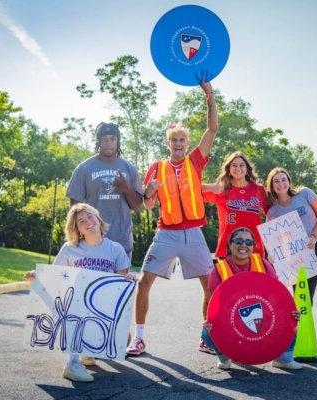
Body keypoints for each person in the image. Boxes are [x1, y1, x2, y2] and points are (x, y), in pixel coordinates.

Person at [126, 79, 218, 356]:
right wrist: (149, 192)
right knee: (143, 282)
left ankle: (207, 336)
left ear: (187, 143)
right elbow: (148, 206)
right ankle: (139, 338)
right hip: (166, 234)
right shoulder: (157, 167)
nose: (178, 144)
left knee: (210, 285)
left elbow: (212, 128)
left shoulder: (195, 161)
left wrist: (209, 95)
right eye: (174, 140)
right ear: (167, 143)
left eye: (182, 140)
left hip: (193, 234)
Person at [25, 203, 134, 382]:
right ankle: (72, 363)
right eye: (81, 221)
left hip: (100, 307)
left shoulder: (115, 249)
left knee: (124, 337)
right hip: (73, 306)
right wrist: (37, 277)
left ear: (98, 218)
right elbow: (55, 277)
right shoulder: (69, 248)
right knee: (73, 307)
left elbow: (119, 289)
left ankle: (88, 350)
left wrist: (128, 279)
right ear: (77, 229)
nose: (87, 222)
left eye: (90, 216)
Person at [201, 228, 302, 370]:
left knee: (292, 316)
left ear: (253, 246)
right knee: (207, 331)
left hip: (264, 316)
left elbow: (277, 293)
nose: (244, 245)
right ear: (230, 244)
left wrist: (291, 310)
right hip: (231, 321)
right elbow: (215, 307)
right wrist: (210, 322)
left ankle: (283, 359)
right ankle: (225, 356)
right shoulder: (219, 270)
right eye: (238, 241)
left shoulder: (262, 262)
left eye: (249, 242)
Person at [66, 122, 143, 259]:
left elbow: (137, 206)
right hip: (92, 241)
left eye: (112, 139)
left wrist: (126, 189)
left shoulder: (129, 168)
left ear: (118, 142)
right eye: (104, 139)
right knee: (90, 281)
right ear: (98, 142)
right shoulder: (84, 169)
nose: (108, 143)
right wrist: (77, 237)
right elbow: (75, 209)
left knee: (119, 280)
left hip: (122, 242)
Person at [266, 167, 317, 304]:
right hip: (292, 256)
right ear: (271, 185)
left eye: (283, 179)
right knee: (300, 295)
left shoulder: (305, 194)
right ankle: (300, 325)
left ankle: (302, 324)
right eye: (276, 181)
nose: (281, 184)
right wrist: (272, 254)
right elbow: (272, 239)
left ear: (289, 181)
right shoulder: (272, 212)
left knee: (308, 293)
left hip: (314, 248)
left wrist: (313, 237)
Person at [203, 151, 267, 259]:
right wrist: (212, 187)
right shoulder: (221, 189)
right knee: (228, 276)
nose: (238, 168)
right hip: (227, 248)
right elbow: (193, 190)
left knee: (255, 276)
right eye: (234, 165)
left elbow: (273, 211)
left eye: (242, 165)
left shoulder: (258, 189)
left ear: (247, 169)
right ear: (228, 169)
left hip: (254, 248)